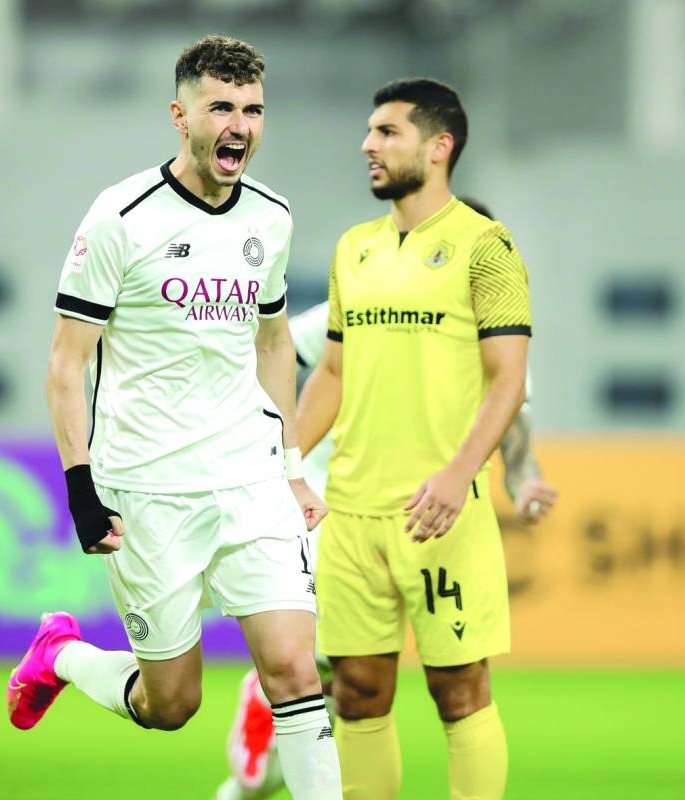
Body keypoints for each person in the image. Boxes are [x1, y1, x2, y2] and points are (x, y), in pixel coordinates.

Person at [5, 35, 342, 800]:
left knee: (293, 666)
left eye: (253, 110)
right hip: (148, 488)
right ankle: (59, 656)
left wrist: (290, 467)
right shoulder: (121, 218)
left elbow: (272, 340)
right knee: (172, 704)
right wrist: (81, 487)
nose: (239, 125)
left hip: (247, 479)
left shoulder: (273, 217)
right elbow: (66, 363)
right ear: (179, 114)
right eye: (221, 107)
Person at [213, 273, 557, 799]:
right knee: (339, 678)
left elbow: (514, 431)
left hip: (433, 520)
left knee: (358, 695)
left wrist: (524, 480)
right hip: (335, 505)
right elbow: (278, 349)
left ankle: (261, 736)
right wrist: (272, 456)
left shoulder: (495, 337)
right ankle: (282, 685)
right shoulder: (367, 302)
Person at [296, 78, 533, 800]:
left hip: (439, 515)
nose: (368, 145)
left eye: (387, 132)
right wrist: (280, 467)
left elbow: (507, 383)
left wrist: (457, 476)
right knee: (358, 694)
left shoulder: (487, 249)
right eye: (369, 131)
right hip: (350, 514)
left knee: (459, 693)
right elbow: (331, 369)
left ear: (439, 146)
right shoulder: (352, 249)